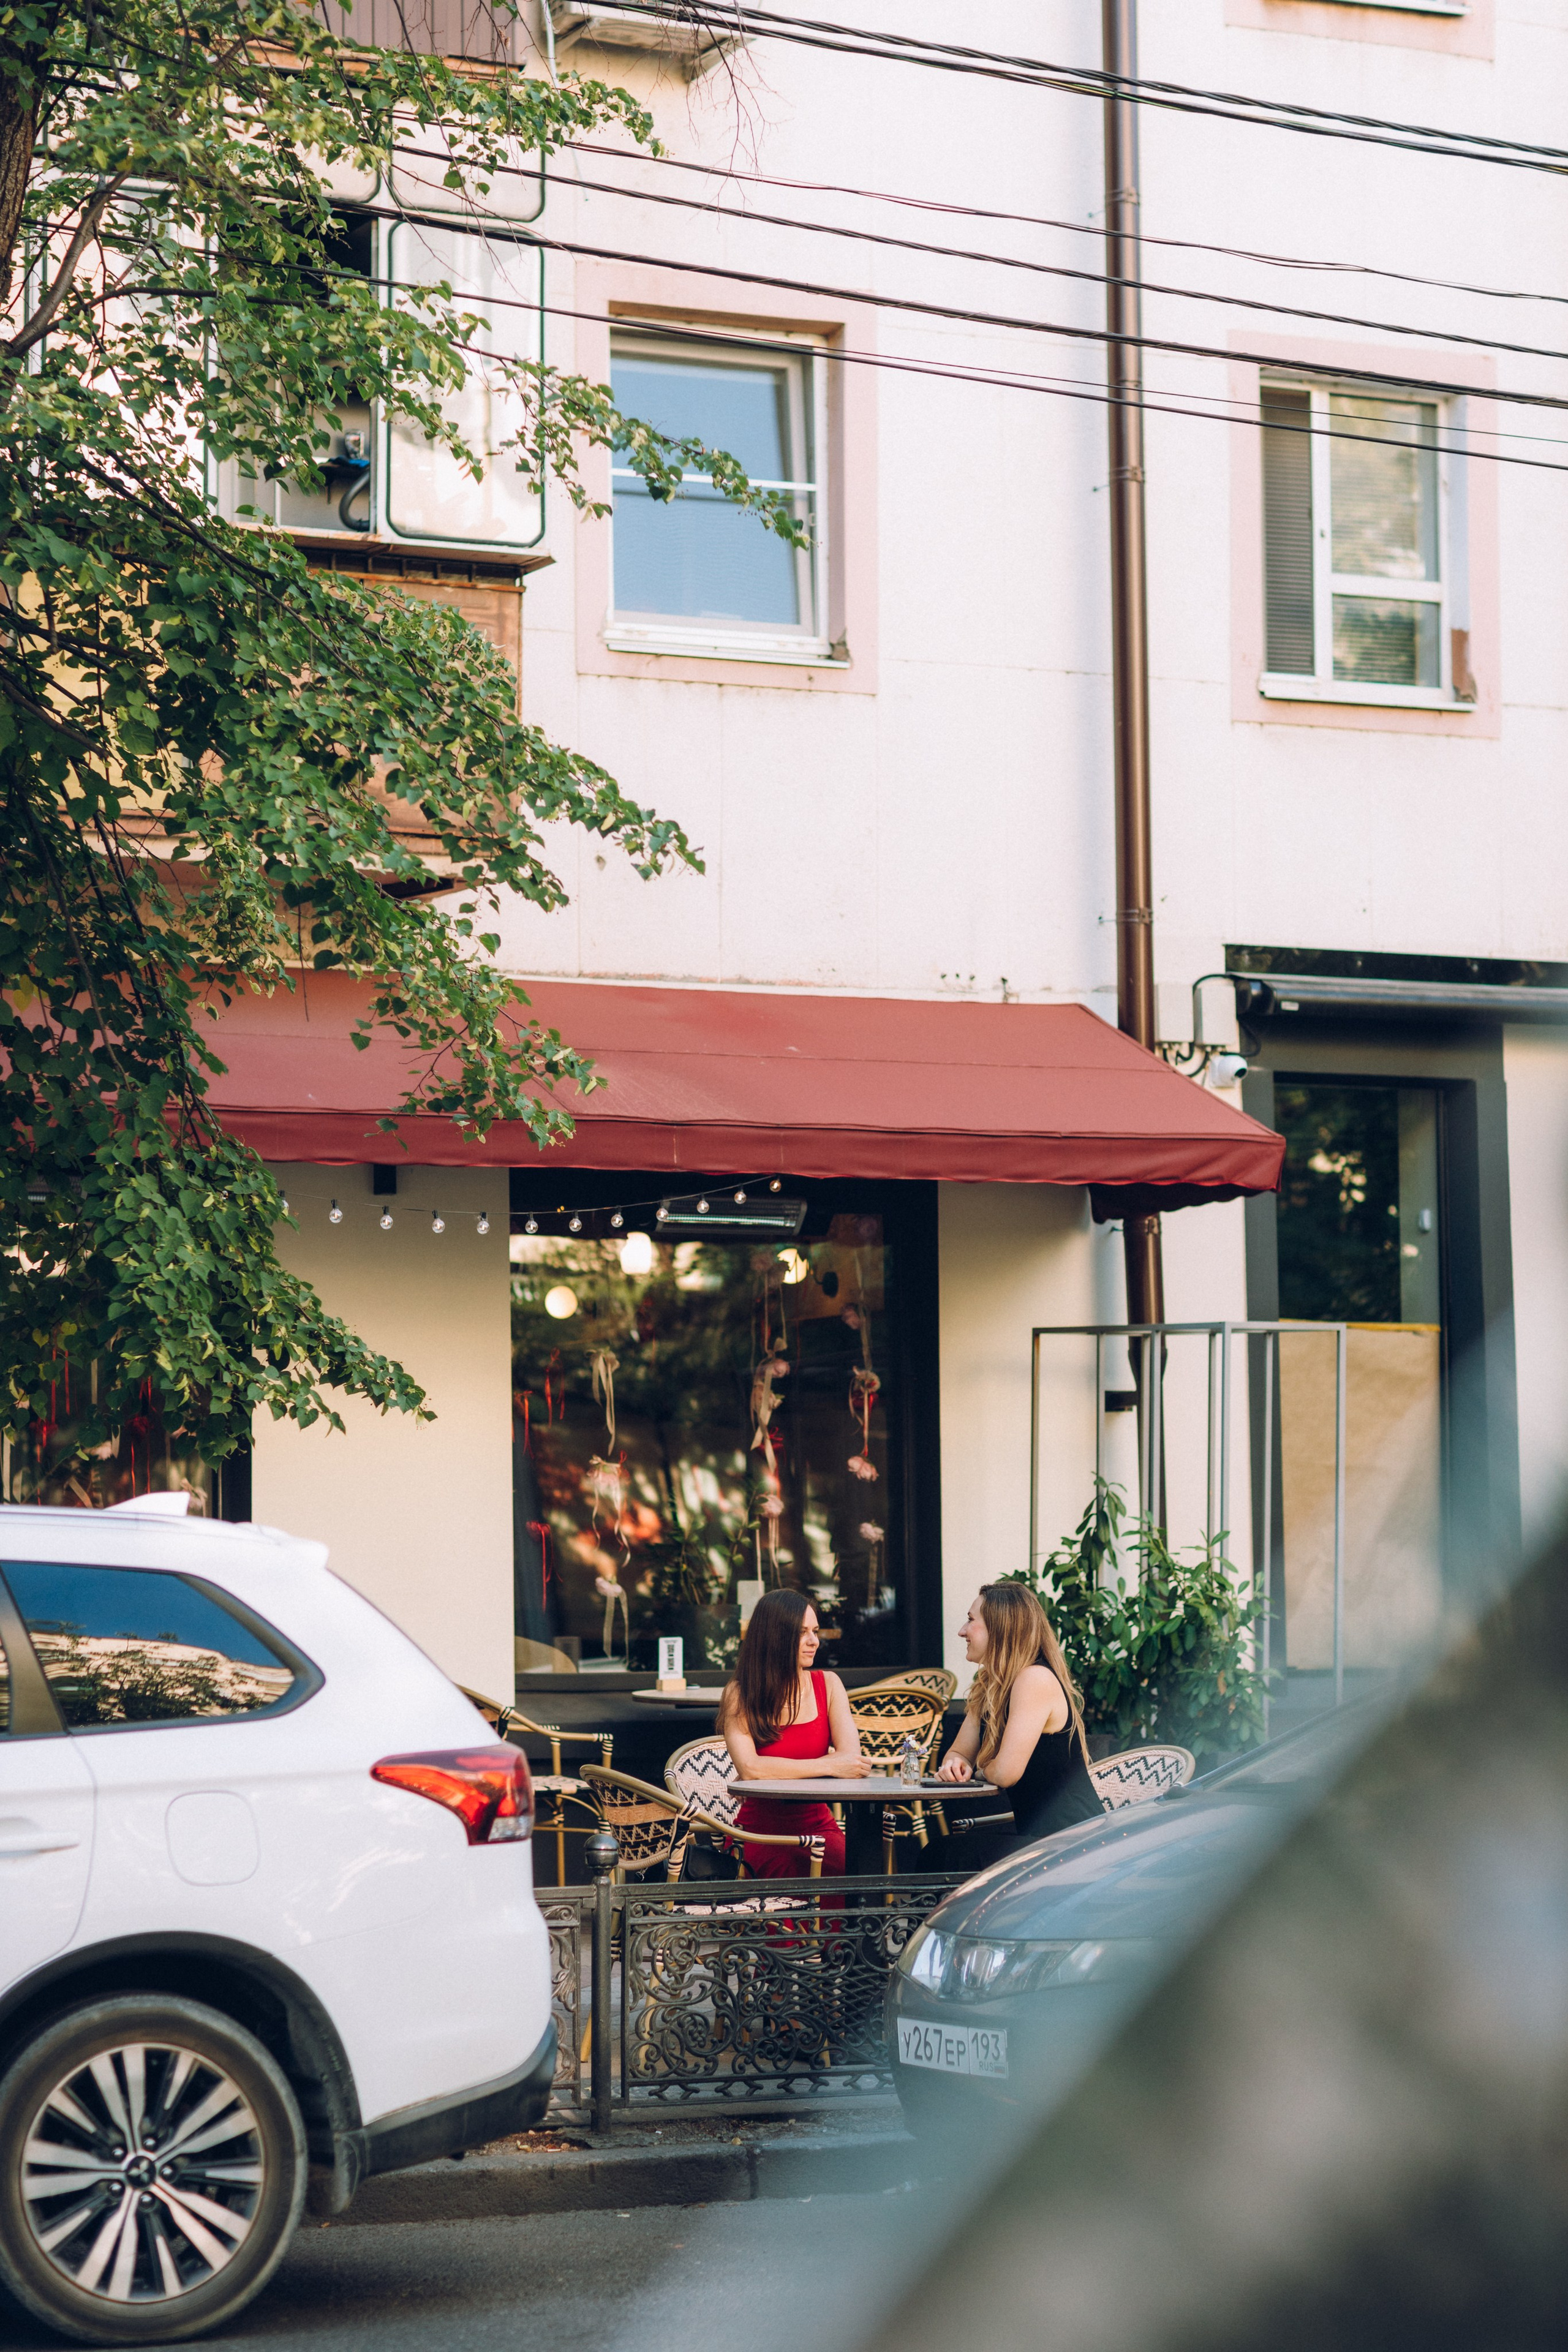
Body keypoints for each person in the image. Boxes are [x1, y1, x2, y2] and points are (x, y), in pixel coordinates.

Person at [935, 1583, 1104, 1856]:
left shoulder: (1034, 1679)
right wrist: (956, 1764)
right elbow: (958, 1752)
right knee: (942, 1853)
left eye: (971, 1620)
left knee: (942, 1855)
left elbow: (1005, 1773)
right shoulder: (991, 1686)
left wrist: (976, 1771)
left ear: (1001, 1628)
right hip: (1040, 1842)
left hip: (1073, 1847)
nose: (962, 1631)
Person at [720, 1589, 870, 1878]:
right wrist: (828, 1764)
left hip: (818, 1827)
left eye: (815, 1631)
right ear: (774, 1637)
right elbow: (750, 1769)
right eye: (802, 1633)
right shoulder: (740, 1694)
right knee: (785, 1872)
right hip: (760, 1834)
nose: (814, 1641)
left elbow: (850, 1761)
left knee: (852, 1873)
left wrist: (774, 1770)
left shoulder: (829, 1685)